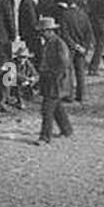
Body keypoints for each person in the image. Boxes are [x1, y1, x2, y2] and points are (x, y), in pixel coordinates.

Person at [35, 16, 74, 145]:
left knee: (47, 109)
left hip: (55, 80)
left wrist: (55, 76)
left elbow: (64, 63)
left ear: (50, 30)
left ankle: (45, 137)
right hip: (49, 78)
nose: (41, 34)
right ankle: (66, 129)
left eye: (43, 31)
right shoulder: (49, 42)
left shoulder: (59, 43)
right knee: (56, 106)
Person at [57, 0, 93, 102]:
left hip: (70, 47)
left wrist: (74, 45)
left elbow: (64, 33)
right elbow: (89, 32)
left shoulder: (64, 14)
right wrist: (84, 47)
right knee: (80, 71)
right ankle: (81, 95)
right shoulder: (83, 14)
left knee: (69, 71)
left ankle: (70, 95)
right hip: (82, 47)